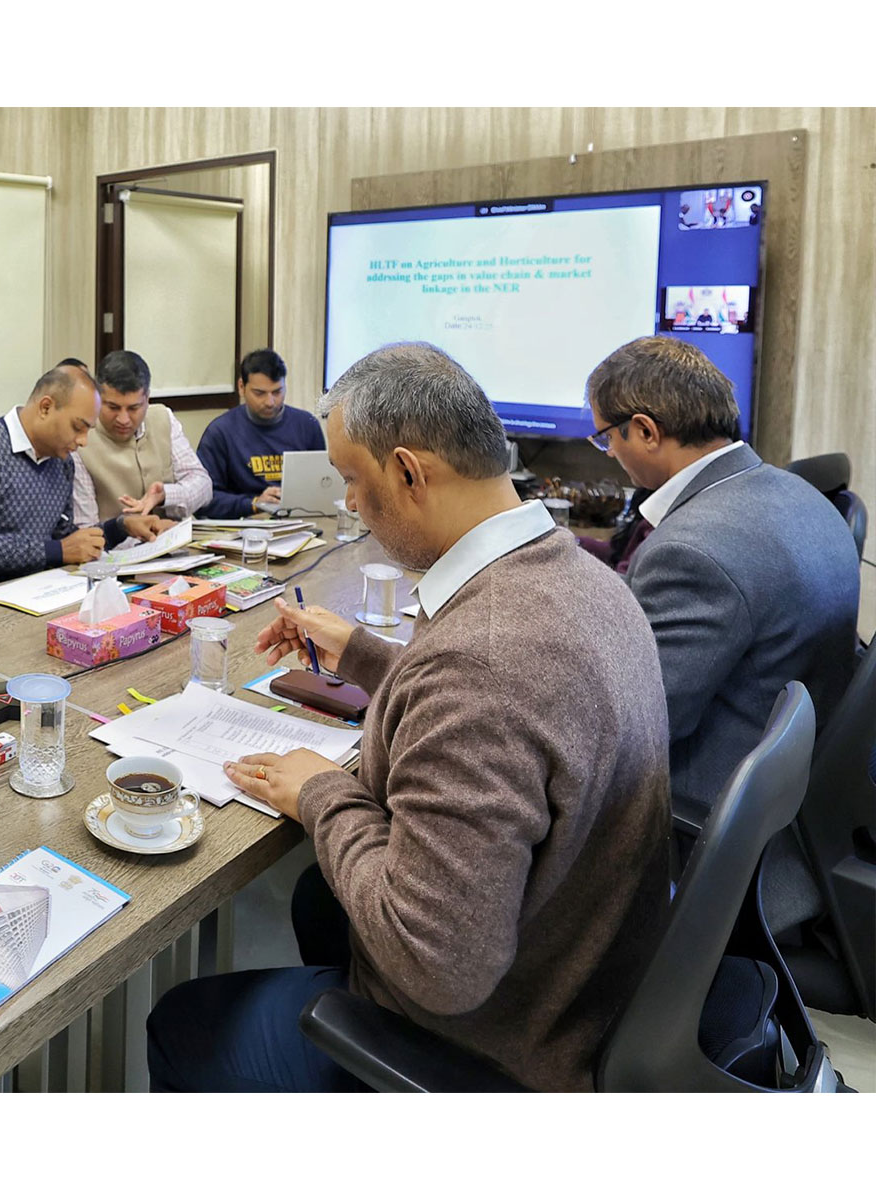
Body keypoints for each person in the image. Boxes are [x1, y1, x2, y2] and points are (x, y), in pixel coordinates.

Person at [147, 343, 672, 1092]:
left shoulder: (482, 665)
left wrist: (322, 792)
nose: (349, 504)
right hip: (580, 971)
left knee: (183, 1024)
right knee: (318, 896)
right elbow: (501, 713)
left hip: (503, 1042)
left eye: (353, 481)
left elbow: (441, 968)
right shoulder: (579, 578)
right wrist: (363, 654)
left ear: (407, 472)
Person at [586, 335, 859, 927]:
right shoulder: (802, 494)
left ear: (645, 431)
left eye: (607, 437)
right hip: (801, 806)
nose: (609, 453)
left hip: (712, 834)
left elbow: (639, 729)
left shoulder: (691, 548)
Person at [0, 363, 172, 597]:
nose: (83, 440)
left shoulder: (61, 462)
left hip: (32, 593)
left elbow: (67, 539)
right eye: (78, 427)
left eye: (88, 430)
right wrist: (56, 551)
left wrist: (121, 527)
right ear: (46, 407)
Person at [71, 349, 212, 526]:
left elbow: (203, 485)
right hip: (118, 542)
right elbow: (86, 527)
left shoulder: (163, 418)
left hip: (176, 536)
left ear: (147, 399)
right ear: (97, 398)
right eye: (113, 407)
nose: (123, 419)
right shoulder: (80, 442)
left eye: (133, 408)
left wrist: (165, 495)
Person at [195, 348, 326, 517]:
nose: (270, 402)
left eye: (277, 392)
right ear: (241, 387)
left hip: (301, 518)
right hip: (245, 522)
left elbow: (322, 484)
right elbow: (203, 500)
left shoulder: (307, 425)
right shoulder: (220, 432)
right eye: (260, 393)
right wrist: (255, 503)